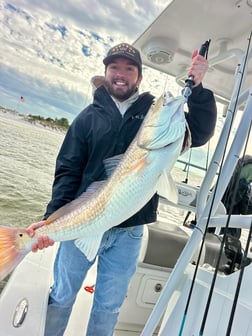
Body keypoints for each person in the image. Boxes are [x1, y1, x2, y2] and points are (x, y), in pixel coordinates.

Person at [27, 42, 217, 336]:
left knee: (110, 305)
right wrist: (51, 219)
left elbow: (201, 131)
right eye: (114, 67)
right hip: (85, 221)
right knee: (62, 294)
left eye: (129, 69)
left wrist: (200, 90)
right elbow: (67, 170)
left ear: (139, 77)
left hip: (129, 232)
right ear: (105, 72)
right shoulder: (87, 118)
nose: (121, 74)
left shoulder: (157, 116)